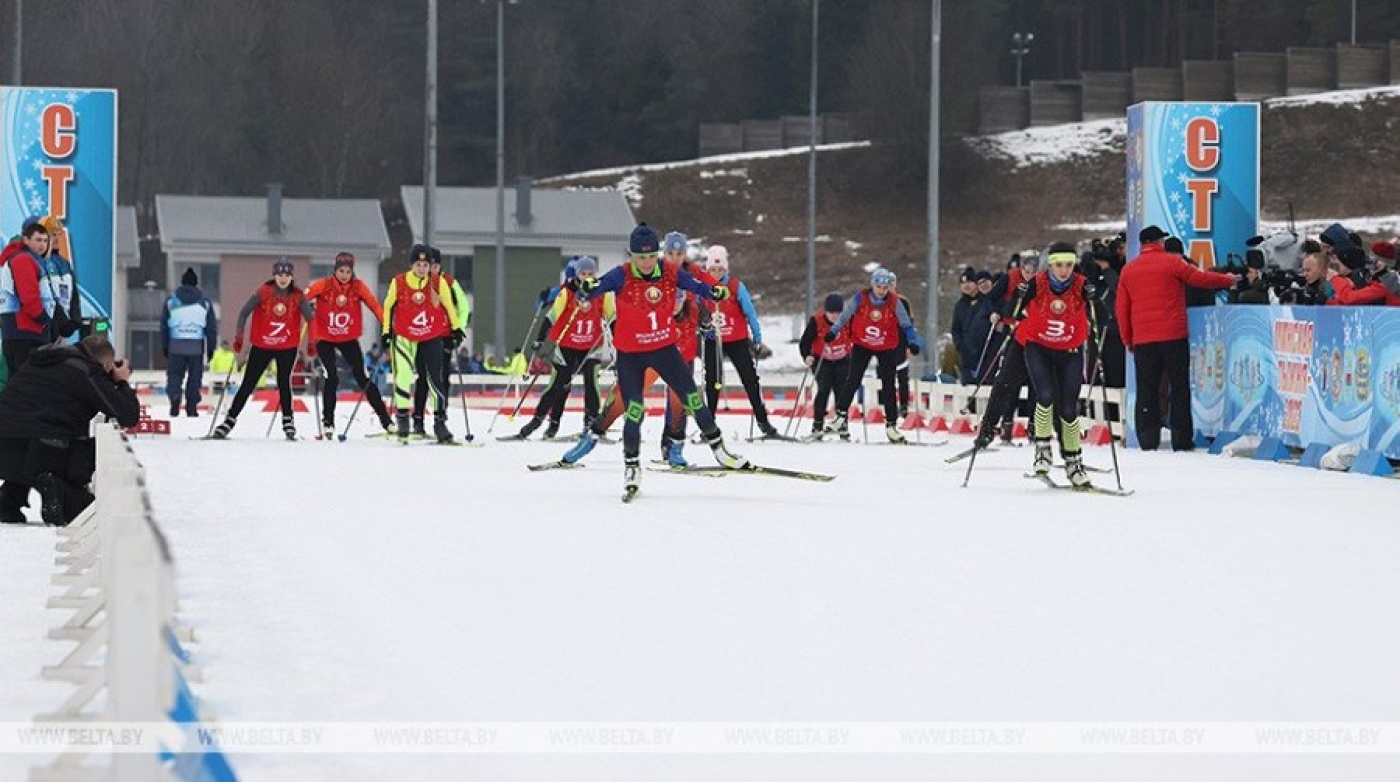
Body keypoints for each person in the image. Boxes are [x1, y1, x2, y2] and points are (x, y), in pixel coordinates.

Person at [561, 223, 748, 497]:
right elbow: (595, 288)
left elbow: (696, 285)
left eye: (651, 256)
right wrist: (585, 289)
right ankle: (631, 466)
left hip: (664, 350)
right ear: (632, 255)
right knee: (634, 409)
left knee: (692, 398)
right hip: (630, 356)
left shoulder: (670, 271)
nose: (647, 262)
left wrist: (714, 292)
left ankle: (719, 449)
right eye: (641, 257)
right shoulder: (622, 275)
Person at [1115, 225, 1238, 451]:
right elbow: (1200, 278)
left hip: (1143, 340)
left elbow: (1122, 309)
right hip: (1173, 336)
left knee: (1147, 390)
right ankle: (1181, 440)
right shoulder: (1173, 263)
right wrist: (1227, 280)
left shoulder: (1129, 270)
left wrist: (1128, 339)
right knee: (1179, 388)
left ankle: (1147, 439)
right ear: (1159, 243)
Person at [0, 335, 140, 526]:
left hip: (5, 451)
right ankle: (58, 494)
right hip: (44, 453)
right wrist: (122, 382)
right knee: (86, 454)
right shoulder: (86, 371)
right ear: (106, 364)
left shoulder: (38, 361)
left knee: (29, 433)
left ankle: (8, 500)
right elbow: (128, 415)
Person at [1018, 243, 1098, 487]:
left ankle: (1074, 462)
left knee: (1069, 409)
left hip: (1070, 351)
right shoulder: (1038, 283)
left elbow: (1103, 315)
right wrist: (1019, 298)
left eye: (1069, 265)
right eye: (1059, 265)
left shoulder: (1081, 284)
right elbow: (1012, 310)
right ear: (1050, 265)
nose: (1064, 271)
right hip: (1039, 348)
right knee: (1045, 395)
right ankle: (1042, 450)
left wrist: (1095, 297)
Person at [213, 258, 314, 440]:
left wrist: (312, 342)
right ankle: (229, 421)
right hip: (262, 346)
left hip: (286, 346)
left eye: (287, 275)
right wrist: (239, 336)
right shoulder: (264, 291)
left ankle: (288, 421)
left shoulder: (298, 296)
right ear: (274, 276)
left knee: (284, 382)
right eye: (279, 275)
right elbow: (244, 312)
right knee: (248, 383)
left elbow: (311, 319)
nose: (283, 279)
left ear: (291, 277)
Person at [513, 255, 612, 439]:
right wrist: (540, 339)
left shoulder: (602, 293)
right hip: (567, 346)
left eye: (591, 273)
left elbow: (612, 317)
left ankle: (591, 422)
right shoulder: (567, 292)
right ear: (577, 274)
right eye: (583, 273)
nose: (587, 277)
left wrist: (618, 338)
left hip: (591, 347)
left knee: (591, 384)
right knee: (559, 384)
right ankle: (542, 421)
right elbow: (551, 316)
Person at [824, 267, 924, 443]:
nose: (882, 291)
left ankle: (891, 425)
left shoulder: (894, 301)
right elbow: (845, 316)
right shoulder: (861, 297)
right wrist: (833, 332)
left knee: (888, 384)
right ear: (873, 285)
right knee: (853, 379)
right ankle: (840, 416)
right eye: (879, 287)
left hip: (886, 346)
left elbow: (906, 324)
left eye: (885, 287)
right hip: (862, 344)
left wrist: (913, 342)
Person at [305, 252, 395, 437]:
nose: (344, 275)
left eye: (348, 271)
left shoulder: (358, 286)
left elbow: (374, 305)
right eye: (341, 271)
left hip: (348, 338)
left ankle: (386, 420)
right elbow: (300, 300)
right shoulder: (323, 284)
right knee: (331, 377)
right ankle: (328, 422)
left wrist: (387, 327)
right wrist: (307, 310)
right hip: (325, 338)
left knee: (363, 377)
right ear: (335, 270)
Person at [700, 245, 780, 438]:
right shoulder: (702, 287)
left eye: (720, 269)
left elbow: (750, 313)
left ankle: (763, 422)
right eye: (713, 269)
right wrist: (701, 324)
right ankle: (709, 426)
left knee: (750, 380)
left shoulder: (736, 286)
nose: (717, 273)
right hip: (713, 340)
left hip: (737, 340)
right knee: (713, 382)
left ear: (726, 269)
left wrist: (757, 337)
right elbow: (694, 311)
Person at [382, 245, 460, 442]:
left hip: (431, 334)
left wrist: (456, 328)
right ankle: (402, 419)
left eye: (426, 265)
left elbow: (449, 306)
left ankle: (440, 423)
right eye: (418, 264)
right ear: (412, 265)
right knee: (403, 376)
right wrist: (386, 331)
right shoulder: (399, 282)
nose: (422, 268)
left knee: (435, 379)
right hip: (405, 335)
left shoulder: (438, 282)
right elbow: (388, 306)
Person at [409, 248, 470, 436]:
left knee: (441, 379)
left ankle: (440, 419)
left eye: (435, 266)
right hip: (422, 335)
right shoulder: (417, 282)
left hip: (444, 337)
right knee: (422, 379)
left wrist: (458, 330)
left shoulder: (449, 283)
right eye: (430, 266)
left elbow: (463, 308)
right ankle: (418, 420)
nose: (432, 269)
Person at [0, 220, 57, 376]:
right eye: (38, 240)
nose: (42, 245)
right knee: (29, 381)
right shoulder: (23, 259)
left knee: (19, 381)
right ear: (25, 240)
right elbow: (29, 296)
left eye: (45, 240)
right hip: (27, 331)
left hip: (19, 331)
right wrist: (43, 319)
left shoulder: (22, 258)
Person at [161, 267, 218, 417]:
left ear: (182, 282)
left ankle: (175, 395)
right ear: (196, 283)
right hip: (196, 346)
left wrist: (165, 346)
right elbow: (211, 328)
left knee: (174, 375)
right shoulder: (205, 303)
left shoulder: (171, 301)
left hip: (175, 345)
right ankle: (191, 406)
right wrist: (211, 349)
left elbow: (164, 326)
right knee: (195, 377)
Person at [797, 292, 853, 436]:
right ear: (826, 311)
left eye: (838, 313)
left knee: (841, 391)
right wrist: (807, 356)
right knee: (824, 389)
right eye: (831, 313)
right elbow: (804, 342)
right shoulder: (816, 321)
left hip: (842, 359)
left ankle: (842, 424)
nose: (835, 316)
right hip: (822, 359)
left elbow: (857, 337)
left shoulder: (848, 320)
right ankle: (818, 424)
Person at [951, 268, 992, 384]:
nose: (966, 285)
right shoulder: (960, 305)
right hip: (967, 352)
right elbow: (956, 328)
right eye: (963, 283)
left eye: (969, 282)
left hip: (985, 349)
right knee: (968, 382)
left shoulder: (986, 301)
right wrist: (959, 345)